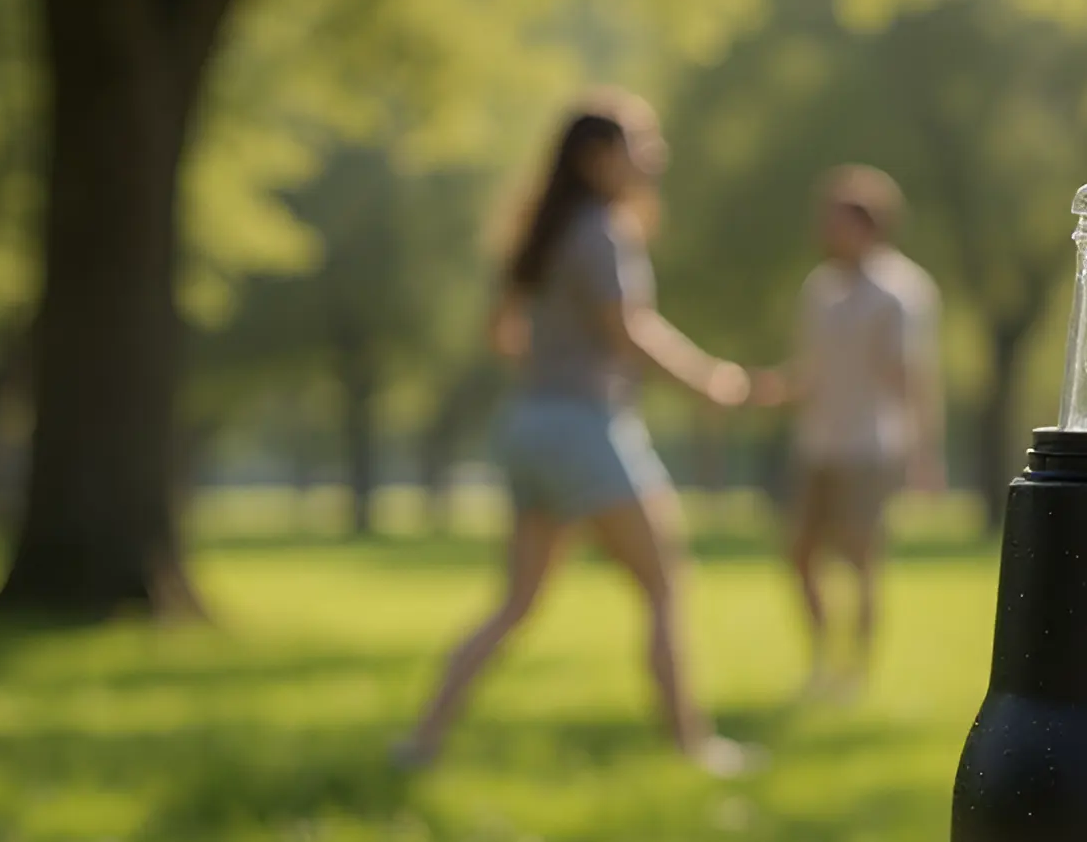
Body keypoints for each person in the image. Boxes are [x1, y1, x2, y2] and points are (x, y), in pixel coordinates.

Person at [396, 92, 755, 773]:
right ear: (597, 159)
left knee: (516, 603)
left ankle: (422, 741)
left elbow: (503, 332)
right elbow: (630, 329)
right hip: (584, 428)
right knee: (665, 584)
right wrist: (710, 380)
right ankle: (694, 745)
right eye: (640, 143)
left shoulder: (546, 230)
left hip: (528, 424)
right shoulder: (603, 230)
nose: (655, 156)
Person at [761, 166, 944, 693]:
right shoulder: (820, 289)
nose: (825, 229)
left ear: (869, 225)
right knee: (799, 555)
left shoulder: (900, 292)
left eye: (836, 219)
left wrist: (924, 452)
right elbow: (810, 370)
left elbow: (912, 378)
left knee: (862, 562)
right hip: (817, 443)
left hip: (870, 447)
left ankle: (856, 675)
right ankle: (821, 660)